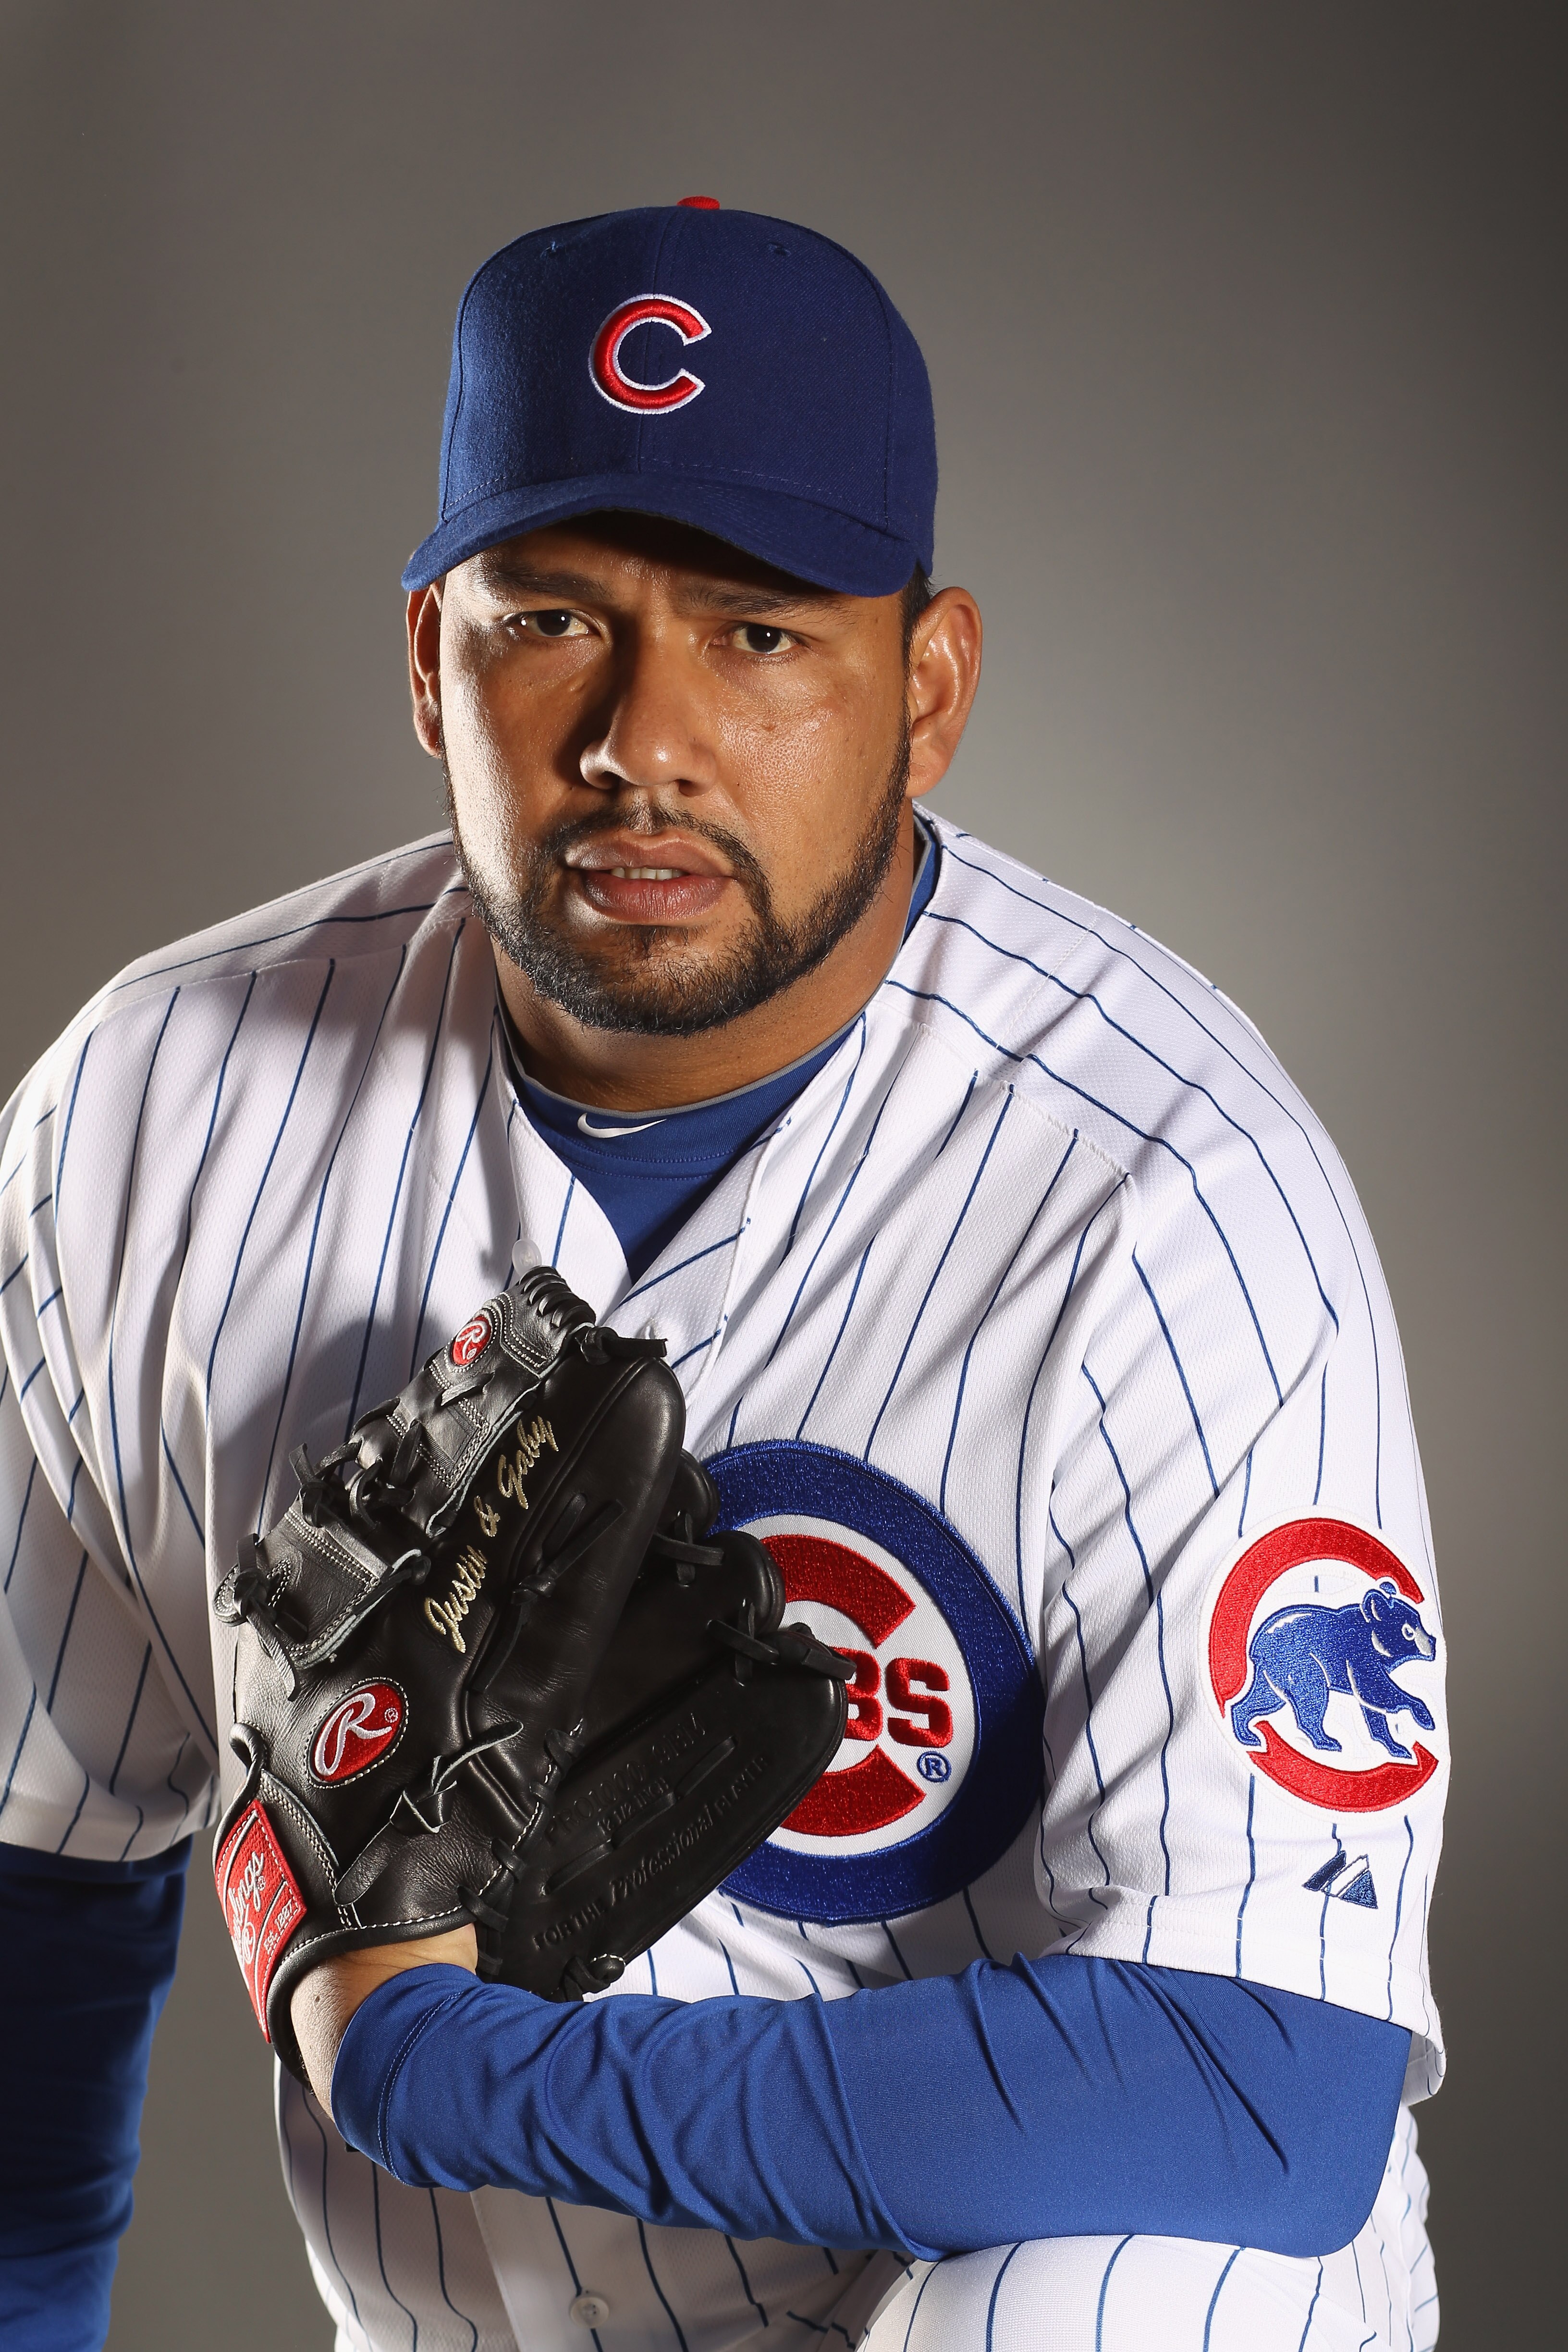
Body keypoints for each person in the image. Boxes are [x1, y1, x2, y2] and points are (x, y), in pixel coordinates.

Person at [0, 201, 1445, 2352]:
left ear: (928, 687)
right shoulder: (153, 1111)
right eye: (552, 619)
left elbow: (1263, 2093)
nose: (639, 740)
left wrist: (437, 2059)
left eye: (760, 632)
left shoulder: (1177, 1197)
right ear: (427, 662)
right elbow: (35, 1896)